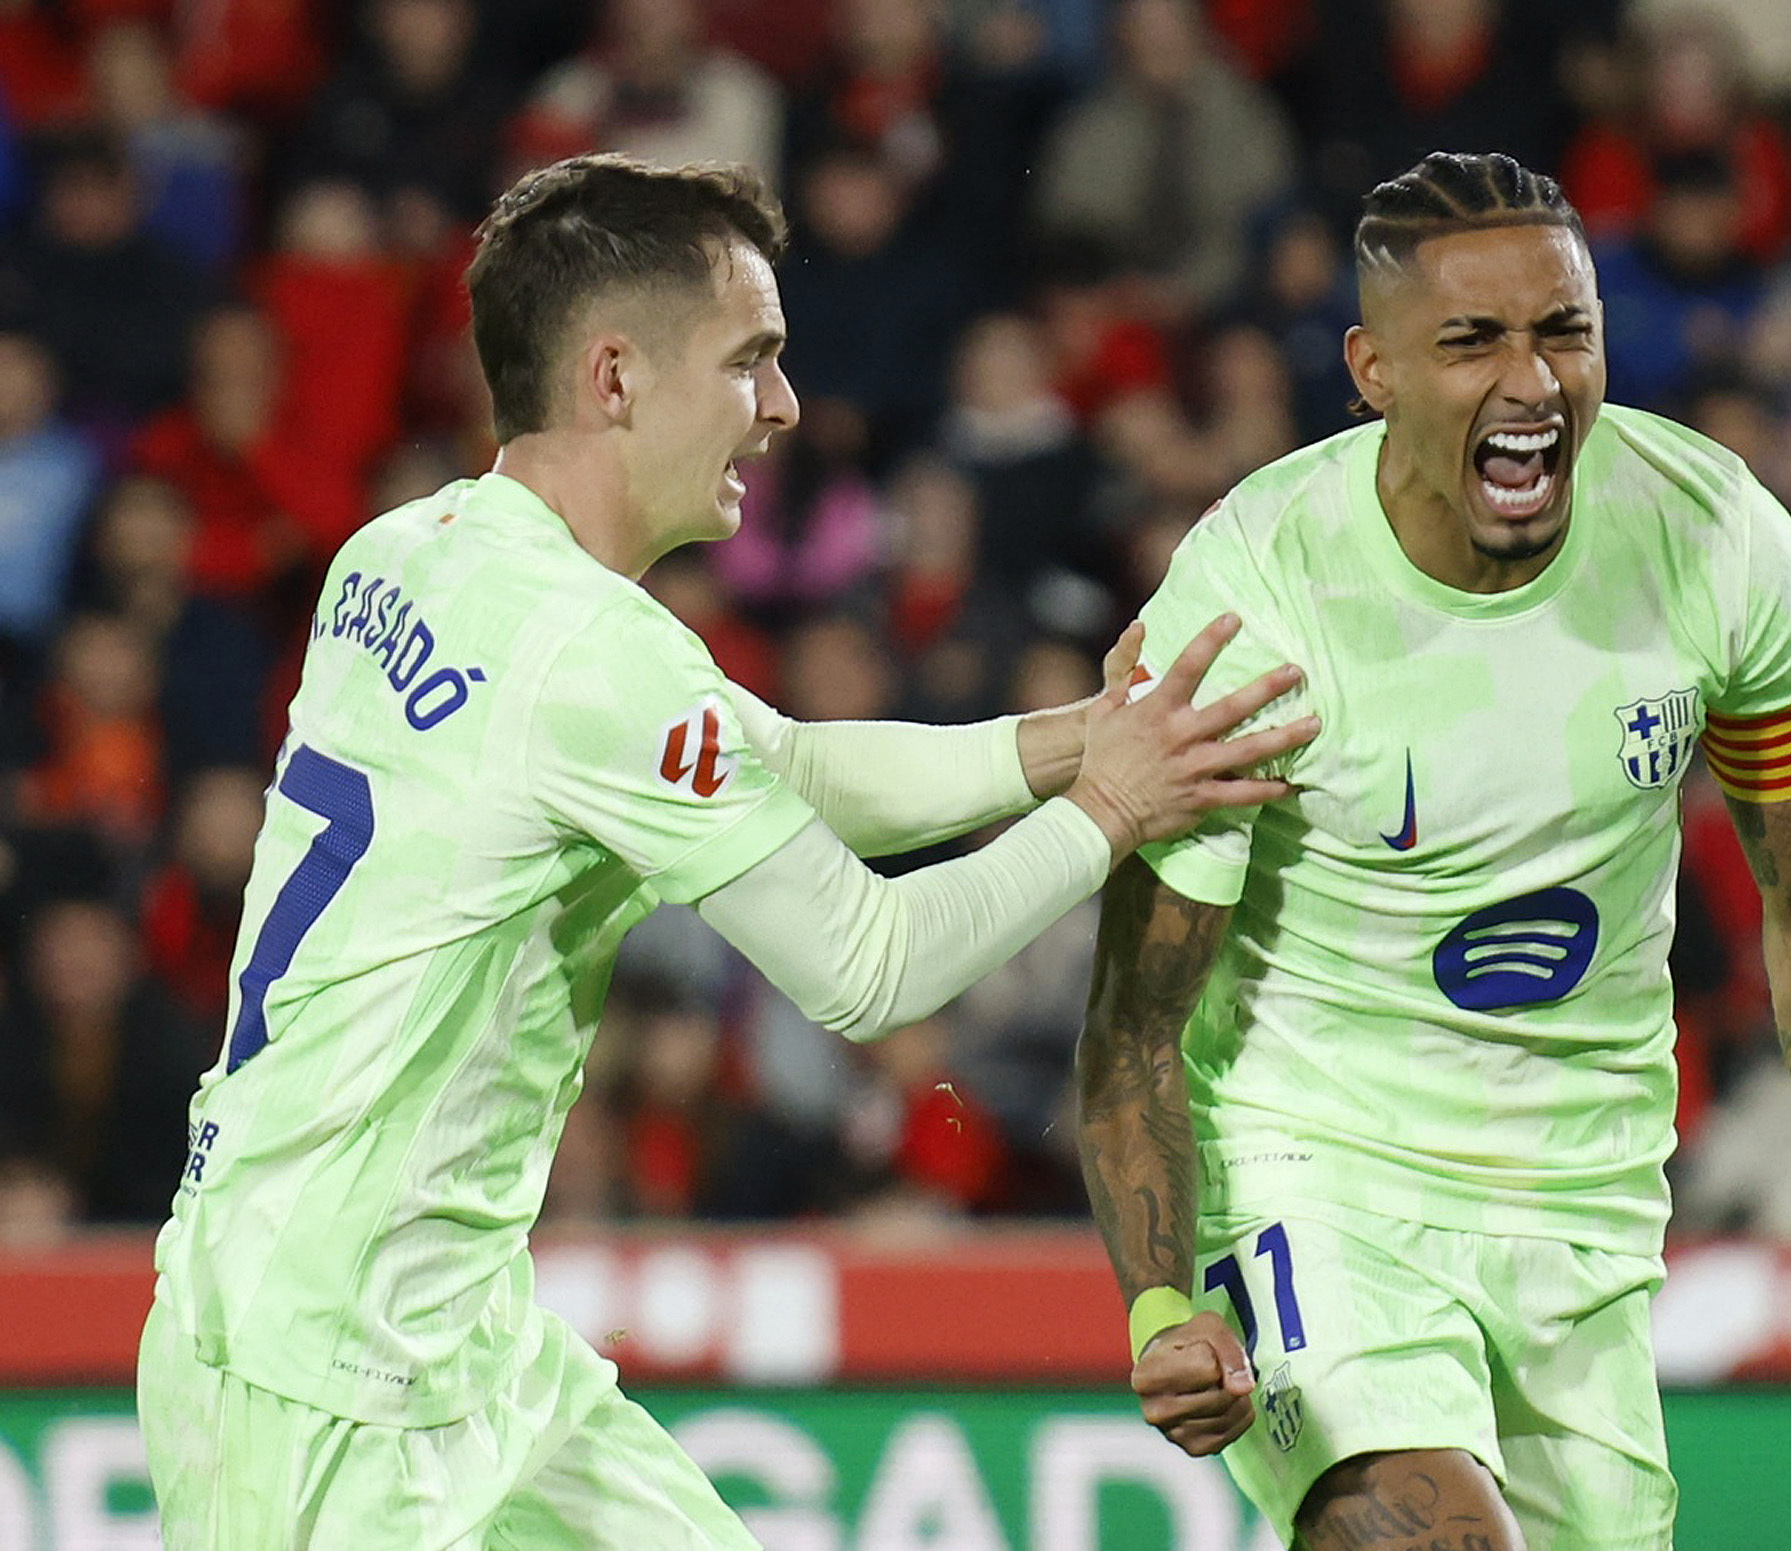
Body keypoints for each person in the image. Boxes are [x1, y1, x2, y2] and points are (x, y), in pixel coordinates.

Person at [135, 152, 1318, 1550]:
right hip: (317, 1391)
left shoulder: (410, 553)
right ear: (617, 378)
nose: (783, 409)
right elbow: (869, 970)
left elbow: (790, 770)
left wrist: (1084, 735)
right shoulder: (592, 657)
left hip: (444, 1331)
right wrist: (1114, 810)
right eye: (751, 360)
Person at [1076, 151, 1791, 1551]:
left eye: (1566, 331)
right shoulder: (1257, 598)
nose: (1534, 380)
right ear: (1372, 370)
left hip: (1583, 1209)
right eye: (1473, 341)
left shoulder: (1715, 541)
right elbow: (1138, 1020)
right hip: (1315, 1174)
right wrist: (1159, 1304)